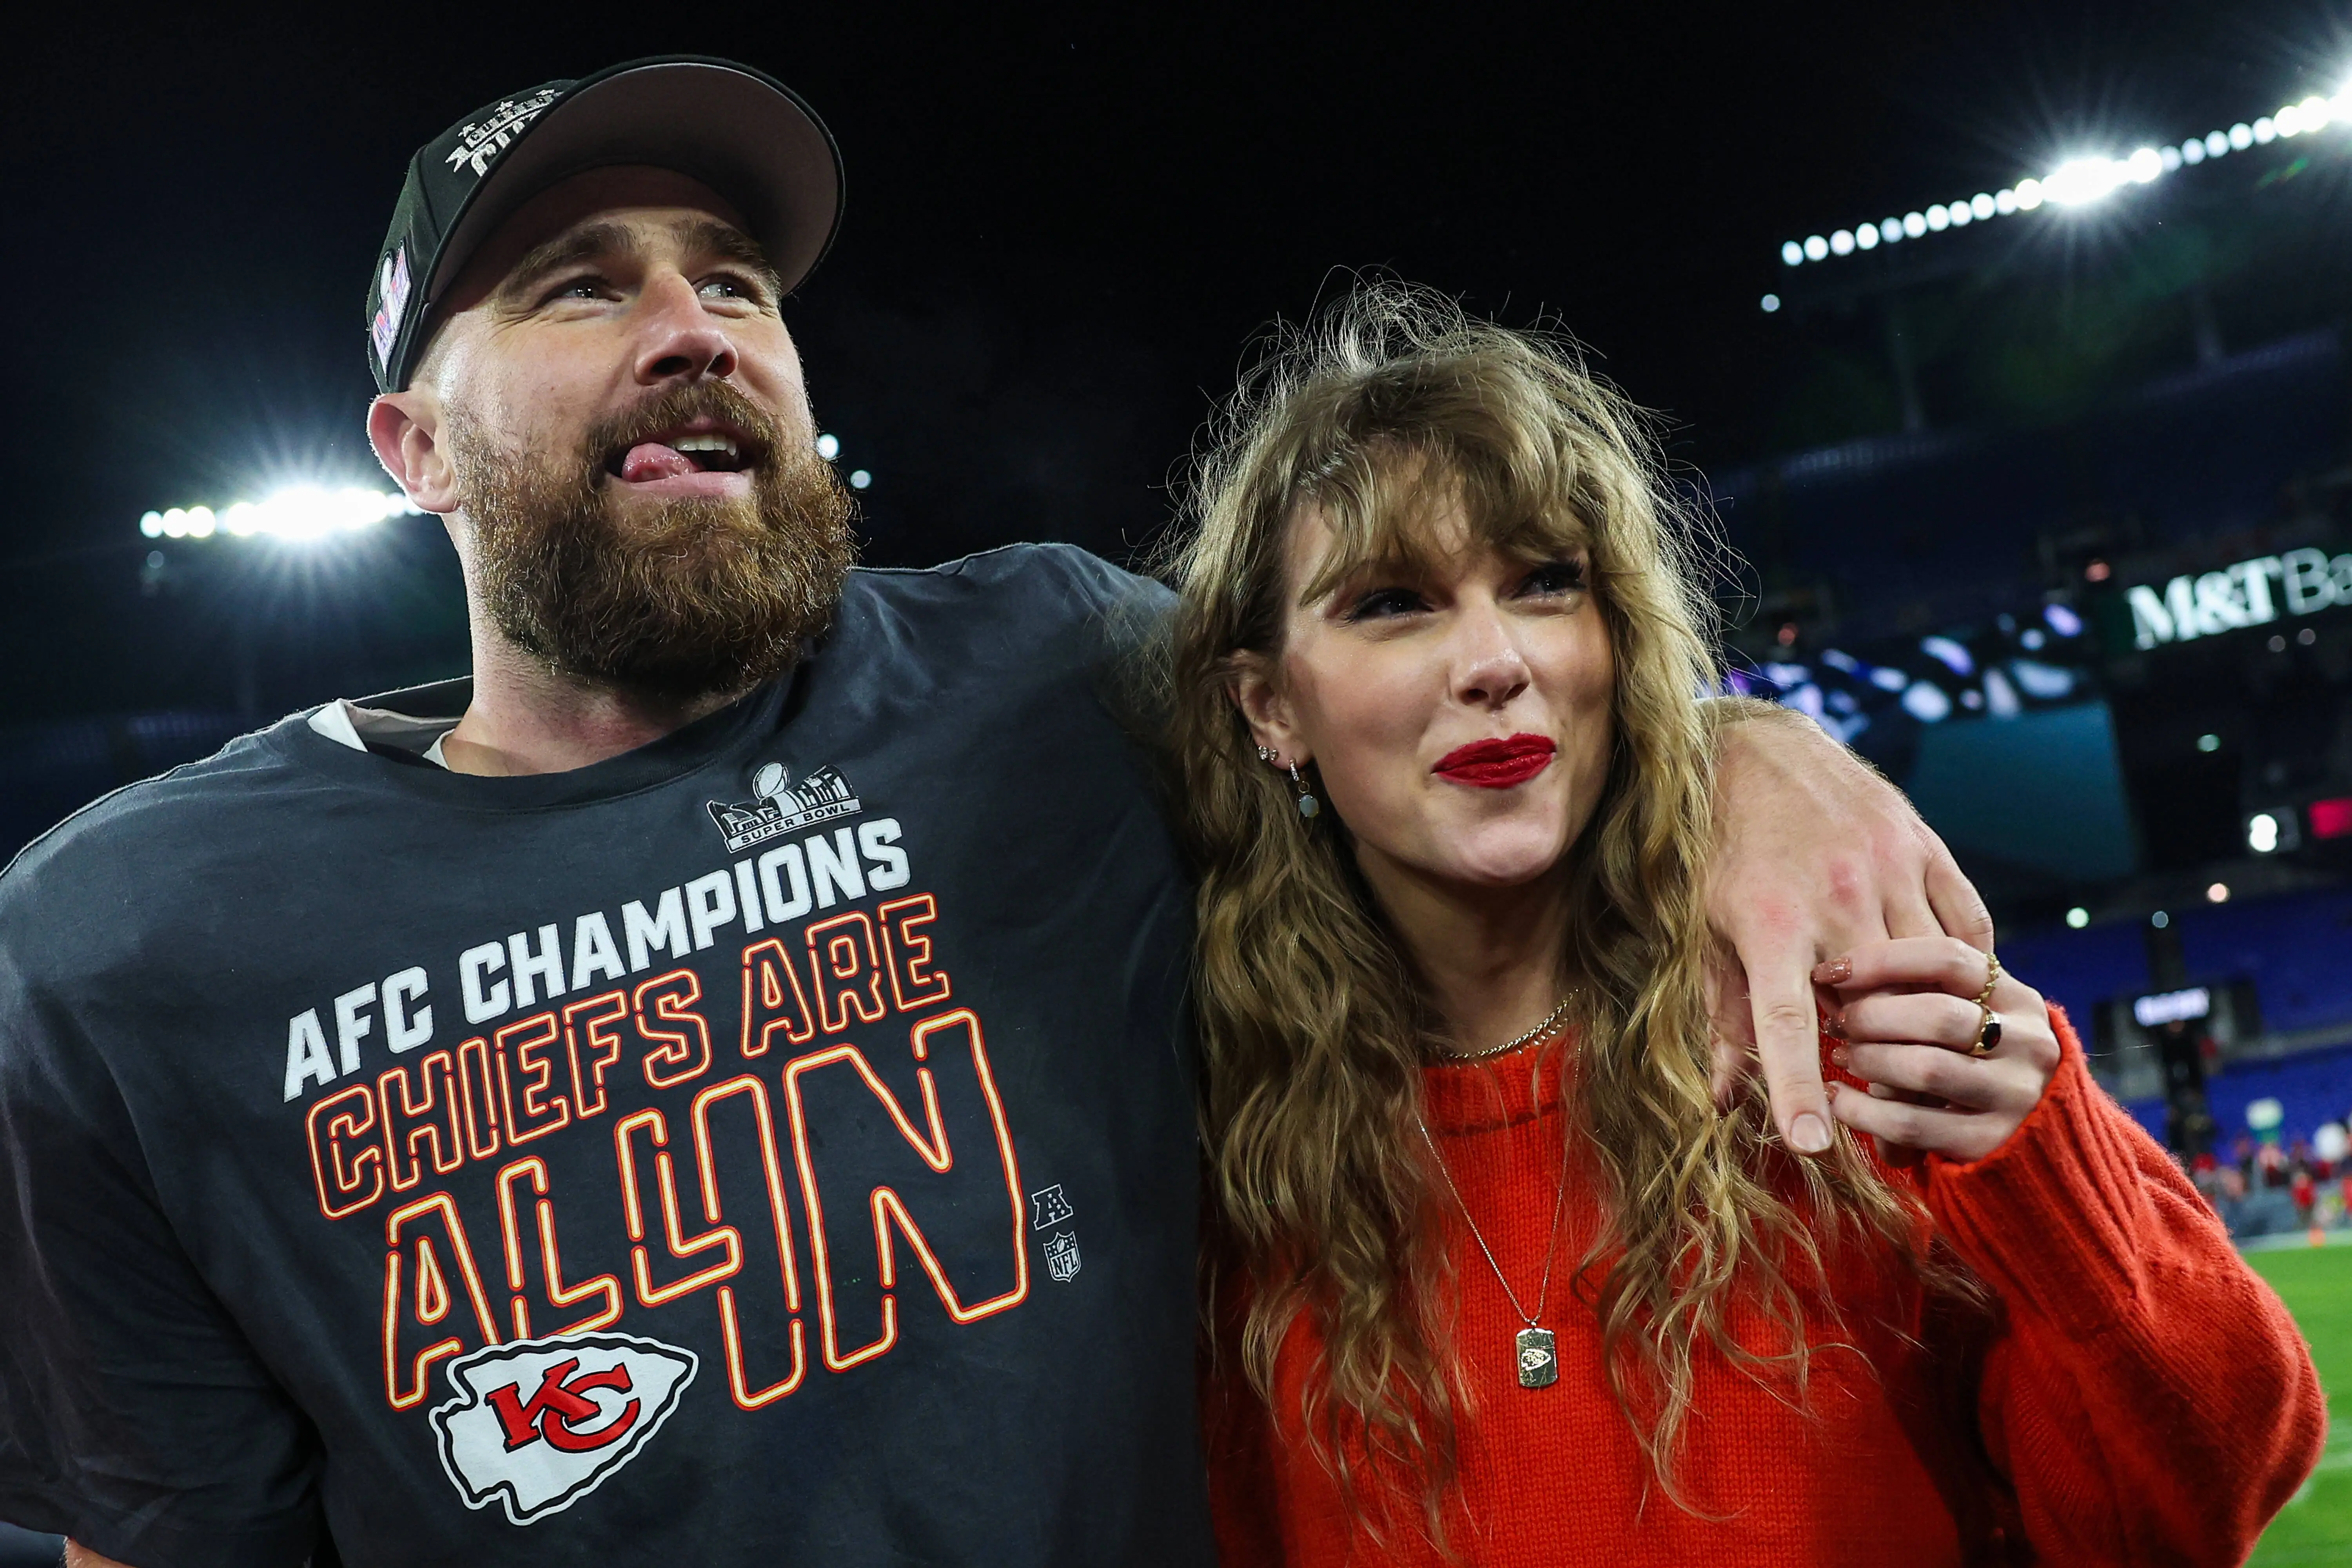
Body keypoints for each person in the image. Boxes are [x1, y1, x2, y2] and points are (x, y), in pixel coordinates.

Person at [0, 59, 1993, 1568]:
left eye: (736, 280)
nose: (695, 325)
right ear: (413, 448)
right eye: (578, 288)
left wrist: (1749, 753)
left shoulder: (1056, 666)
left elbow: (1430, 699)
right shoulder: (129, 950)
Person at [1174, 286, 2324, 1564]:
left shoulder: (1837, 1033)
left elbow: (2189, 1509)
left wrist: (2047, 1175)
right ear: (1269, 707)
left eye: (1546, 583)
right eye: (1393, 602)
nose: (1495, 661)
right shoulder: (1208, 1167)